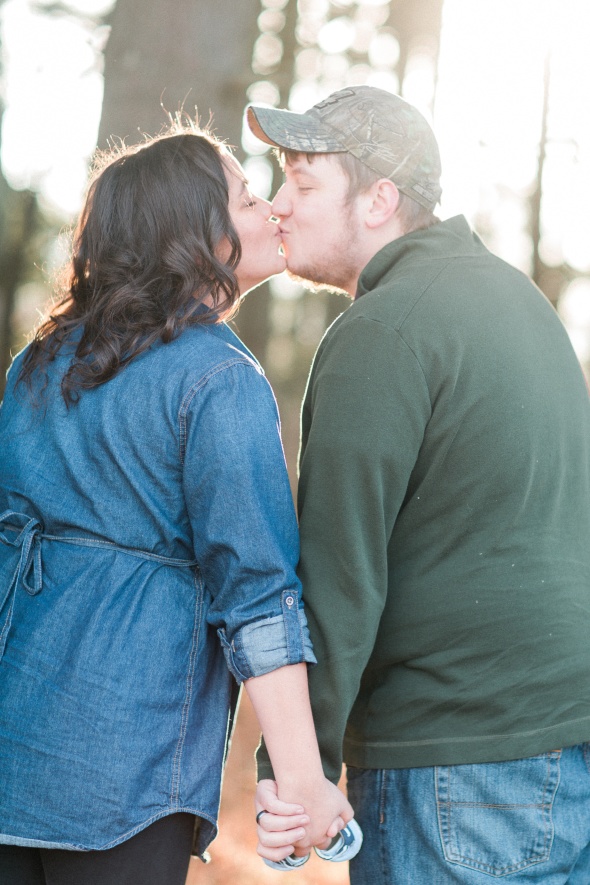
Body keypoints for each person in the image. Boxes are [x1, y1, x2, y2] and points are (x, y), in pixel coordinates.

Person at [246, 85, 590, 882]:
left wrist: (294, 768)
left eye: (302, 183)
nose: (278, 206)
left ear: (379, 200)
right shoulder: (523, 303)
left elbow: (339, 575)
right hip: (566, 744)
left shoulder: (382, 329)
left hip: (456, 764)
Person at [0, 121, 353, 885]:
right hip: (122, 762)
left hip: (13, 733)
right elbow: (256, 591)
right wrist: (303, 778)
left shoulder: (38, 361)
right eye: (249, 197)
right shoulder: (219, 378)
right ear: (197, 232)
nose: (272, 212)